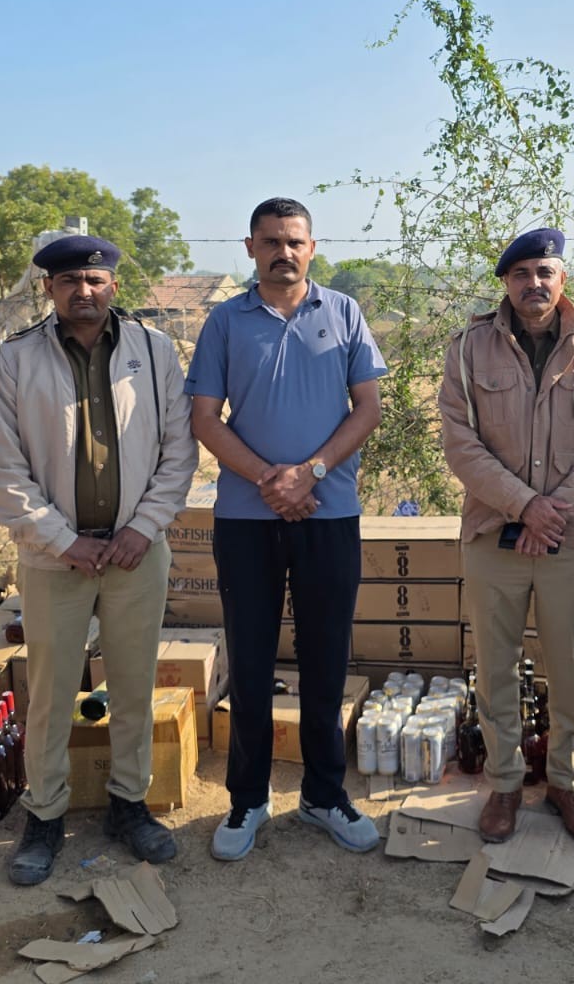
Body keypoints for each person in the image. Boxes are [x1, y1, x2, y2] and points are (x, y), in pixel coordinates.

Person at [0, 234, 199, 886]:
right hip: (55, 559)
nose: (84, 291)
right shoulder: (17, 359)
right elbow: (0, 470)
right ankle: (44, 813)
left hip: (136, 550)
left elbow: (177, 452)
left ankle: (129, 806)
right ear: (47, 288)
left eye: (96, 280)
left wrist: (144, 528)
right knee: (51, 694)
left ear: (114, 287)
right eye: (70, 279)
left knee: (133, 684)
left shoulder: (155, 353)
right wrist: (62, 541)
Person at [187, 197, 387, 861]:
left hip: (328, 513)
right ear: (249, 248)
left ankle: (324, 795)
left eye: (295, 241)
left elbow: (368, 407)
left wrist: (312, 472)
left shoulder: (344, 312)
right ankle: (248, 799)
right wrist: (272, 481)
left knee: (327, 660)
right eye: (271, 241)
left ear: (312, 246)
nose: (284, 252)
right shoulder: (224, 322)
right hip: (247, 519)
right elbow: (207, 420)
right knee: (249, 661)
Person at [439, 228, 574, 846]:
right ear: (506, 284)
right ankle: (503, 783)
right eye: (521, 274)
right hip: (495, 532)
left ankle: (565, 783)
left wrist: (552, 514)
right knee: (494, 666)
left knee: (570, 667)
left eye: (544, 272)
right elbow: (461, 444)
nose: (534, 284)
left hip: (570, 539)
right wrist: (524, 507)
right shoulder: (469, 350)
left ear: (562, 279)